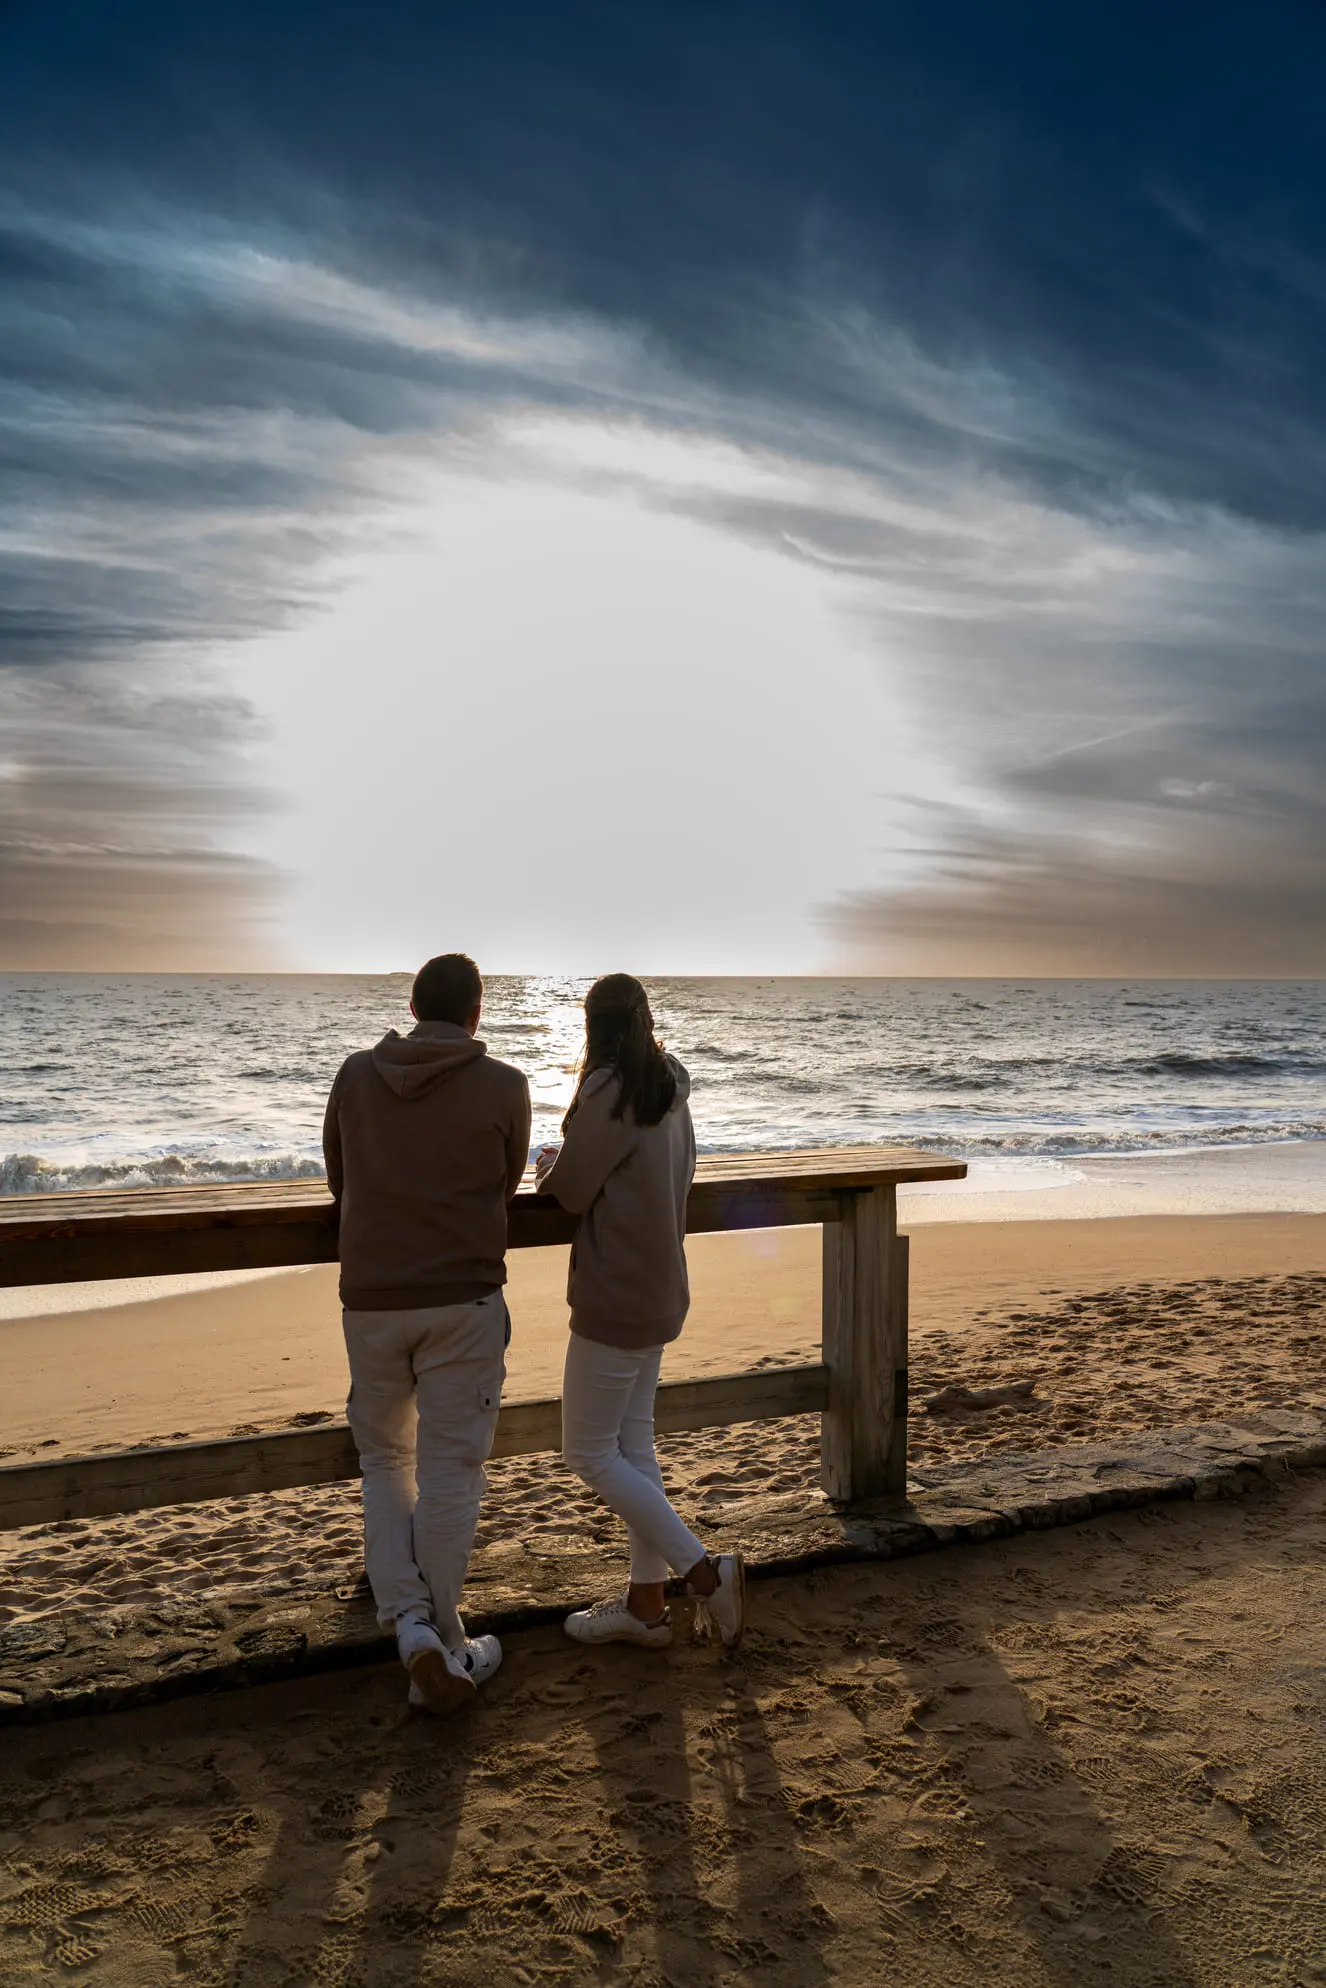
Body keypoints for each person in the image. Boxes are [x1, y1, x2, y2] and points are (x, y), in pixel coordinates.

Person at [323, 953, 531, 1715]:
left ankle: (413, 1631)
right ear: (477, 1013)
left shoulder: (355, 1074)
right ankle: (442, 1638)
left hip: (372, 1297)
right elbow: (505, 1181)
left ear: (412, 1008)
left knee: (384, 1460)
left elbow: (339, 1179)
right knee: (451, 1471)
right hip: (464, 1300)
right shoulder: (506, 1084)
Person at [535, 973, 745, 1650]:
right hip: (660, 1286)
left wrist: (546, 1166)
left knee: (587, 1452)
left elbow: (571, 1192)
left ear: (592, 1026)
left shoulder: (611, 1090)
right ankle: (646, 1605)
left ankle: (704, 1573)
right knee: (633, 1446)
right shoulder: (668, 1087)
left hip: (616, 1293)